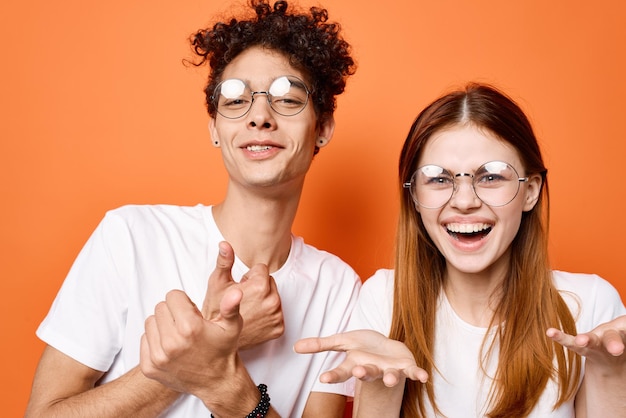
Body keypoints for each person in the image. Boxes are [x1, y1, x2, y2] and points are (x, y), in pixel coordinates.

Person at [25, 1, 360, 417]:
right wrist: (215, 339)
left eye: (287, 99)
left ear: (322, 129)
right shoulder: (131, 235)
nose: (259, 116)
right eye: (236, 101)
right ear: (215, 129)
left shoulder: (339, 289)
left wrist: (223, 380)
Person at [295, 83, 626, 417]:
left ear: (531, 191)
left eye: (491, 177)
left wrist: (612, 374)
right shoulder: (384, 299)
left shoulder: (591, 306)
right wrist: (381, 391)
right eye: (438, 179)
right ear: (414, 196)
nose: (465, 201)